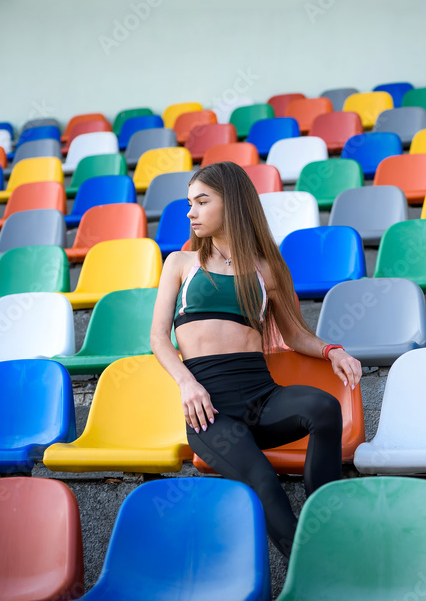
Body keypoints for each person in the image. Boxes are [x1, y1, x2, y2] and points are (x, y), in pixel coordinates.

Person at [150, 161, 362, 558]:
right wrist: (186, 383)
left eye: (201, 202)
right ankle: (316, 564)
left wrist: (331, 350)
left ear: (231, 203)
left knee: (323, 407)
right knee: (264, 480)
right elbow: (158, 337)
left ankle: (327, 520)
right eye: (189, 203)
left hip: (262, 397)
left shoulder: (267, 269)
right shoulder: (180, 263)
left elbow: (294, 334)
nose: (190, 212)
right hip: (211, 412)